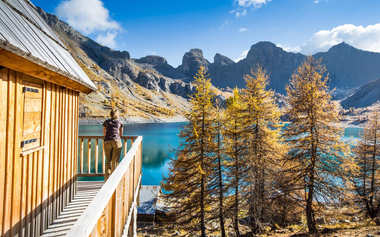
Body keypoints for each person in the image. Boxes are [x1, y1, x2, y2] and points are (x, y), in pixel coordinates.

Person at [103, 109, 123, 181]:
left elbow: (104, 132)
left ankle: (106, 180)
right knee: (115, 161)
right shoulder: (120, 122)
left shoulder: (106, 122)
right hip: (116, 141)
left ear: (110, 114)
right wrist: (118, 137)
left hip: (107, 141)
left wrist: (106, 138)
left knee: (108, 161)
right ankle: (113, 180)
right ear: (117, 115)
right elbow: (121, 133)